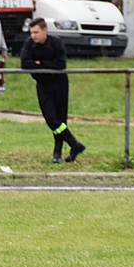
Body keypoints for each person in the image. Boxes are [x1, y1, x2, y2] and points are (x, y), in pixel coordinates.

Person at [21, 18, 86, 164]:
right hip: (43, 84)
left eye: (36, 32)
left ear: (45, 31)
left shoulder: (56, 42)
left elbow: (61, 63)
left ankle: (58, 151)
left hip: (59, 83)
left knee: (60, 119)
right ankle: (75, 144)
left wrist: (40, 64)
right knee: (51, 119)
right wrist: (44, 67)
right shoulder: (29, 44)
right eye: (31, 32)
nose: (33, 36)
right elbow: (25, 63)